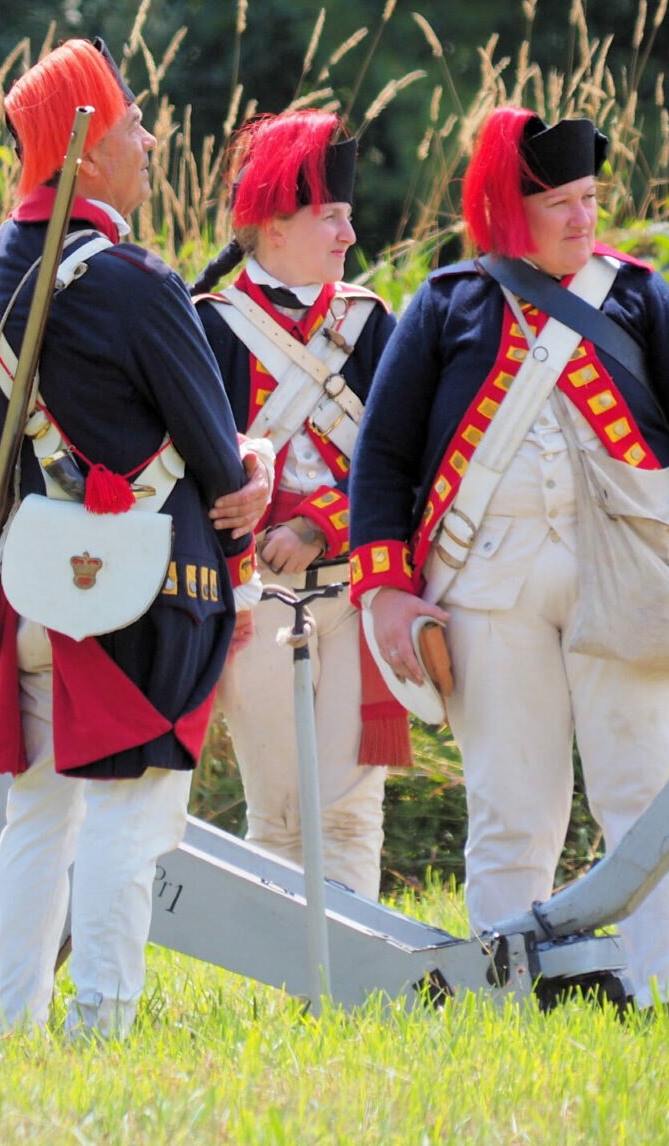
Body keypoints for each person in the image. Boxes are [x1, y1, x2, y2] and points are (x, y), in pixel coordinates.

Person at [347, 108, 669, 1014]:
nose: (585, 219)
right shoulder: (447, 303)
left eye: (591, 199)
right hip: (486, 591)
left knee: (652, 797)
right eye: (562, 203)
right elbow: (381, 460)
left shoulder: (639, 298)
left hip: (638, 583)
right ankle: (508, 996)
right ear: (512, 208)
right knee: (511, 809)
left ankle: (666, 996)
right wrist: (385, 590)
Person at [0, 38, 275, 1037]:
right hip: (146, 583)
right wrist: (254, 467)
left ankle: (16, 1020)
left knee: (38, 811)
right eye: (133, 123)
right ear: (86, 148)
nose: (149, 139)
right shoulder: (134, 281)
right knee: (129, 817)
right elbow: (215, 462)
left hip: (34, 585)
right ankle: (100, 1019)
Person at [189, 110, 403, 898]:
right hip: (253, 593)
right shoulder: (209, 328)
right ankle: (292, 987)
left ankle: (349, 988)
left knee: (352, 810)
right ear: (273, 226)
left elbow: (404, 461)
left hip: (353, 587)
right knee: (279, 813)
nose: (348, 234)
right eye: (331, 217)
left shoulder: (370, 323)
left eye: (347, 216)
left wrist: (323, 525)